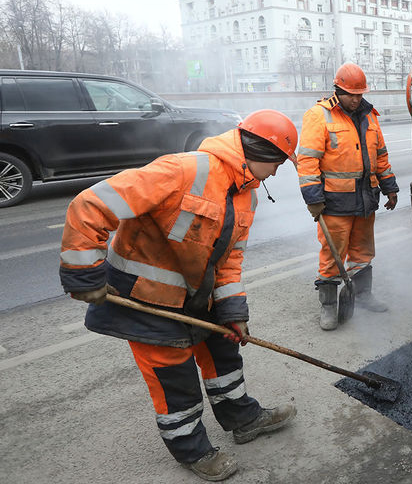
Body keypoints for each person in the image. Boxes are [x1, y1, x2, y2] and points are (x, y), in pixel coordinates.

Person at [59, 110, 299, 481]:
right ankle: (193, 451)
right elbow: (90, 205)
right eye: (280, 163)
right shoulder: (182, 170)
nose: (278, 172)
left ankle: (244, 419)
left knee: (224, 355)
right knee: (176, 383)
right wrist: (84, 273)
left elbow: (230, 259)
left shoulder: (245, 195)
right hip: (145, 300)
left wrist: (233, 309)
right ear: (262, 152)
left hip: (197, 297)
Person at [296, 63, 399, 330]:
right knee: (332, 256)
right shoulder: (319, 116)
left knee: (363, 252)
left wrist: (390, 188)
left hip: (366, 200)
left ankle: (363, 296)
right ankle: (328, 307)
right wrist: (313, 198)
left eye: (359, 94)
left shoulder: (370, 116)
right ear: (337, 90)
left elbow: (381, 157)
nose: (356, 99)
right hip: (335, 203)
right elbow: (307, 161)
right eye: (350, 94)